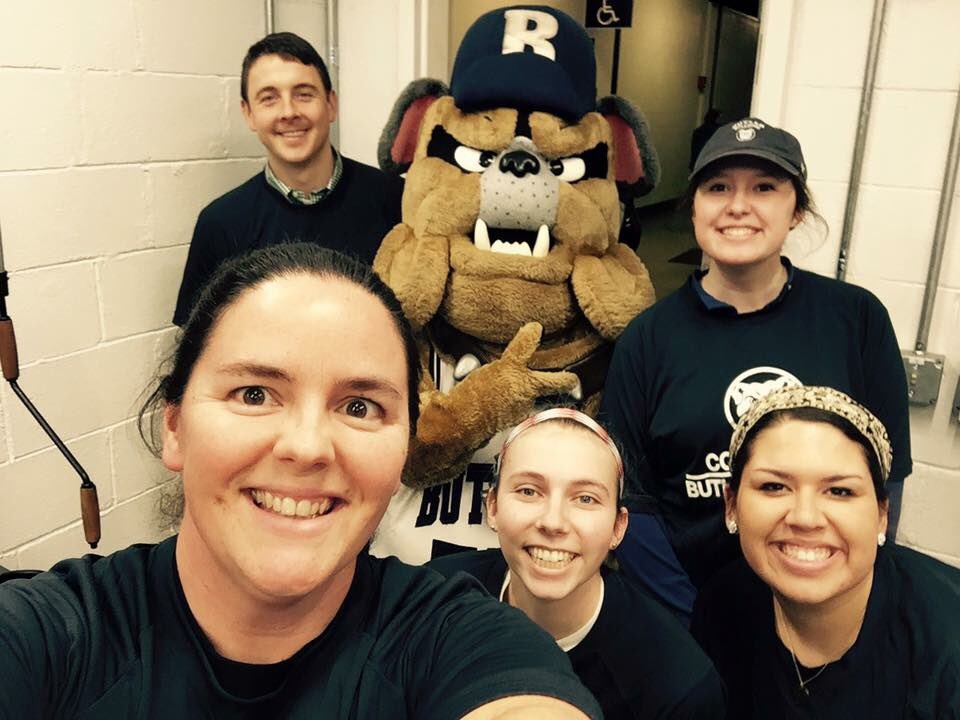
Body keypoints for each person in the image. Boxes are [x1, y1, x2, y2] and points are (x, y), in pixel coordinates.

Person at [0, 244, 603, 719]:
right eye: (255, 394)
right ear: (176, 428)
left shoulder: (456, 638)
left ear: (402, 454)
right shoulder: (53, 637)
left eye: (361, 407)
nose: (309, 447)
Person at [600, 117, 911, 614]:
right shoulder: (648, 339)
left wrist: (843, 598)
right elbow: (630, 502)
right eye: (717, 187)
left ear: (797, 211)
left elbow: (884, 480)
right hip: (690, 610)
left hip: (825, 604)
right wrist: (691, 623)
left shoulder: (856, 319)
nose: (738, 206)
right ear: (696, 208)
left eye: (764, 187)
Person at [429, 408, 725, 720]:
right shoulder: (433, 604)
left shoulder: (676, 684)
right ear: (493, 507)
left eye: (585, 498)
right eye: (529, 491)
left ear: (617, 528)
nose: (553, 522)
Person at [692, 385, 960, 719]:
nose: (805, 517)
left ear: (881, 515)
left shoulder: (947, 653)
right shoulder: (722, 607)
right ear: (731, 505)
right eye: (774, 486)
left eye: (839, 491)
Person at [172, 32, 403, 326]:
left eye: (304, 94)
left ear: (331, 105)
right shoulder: (220, 224)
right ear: (249, 113)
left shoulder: (397, 199)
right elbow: (198, 345)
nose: (289, 112)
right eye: (269, 99)